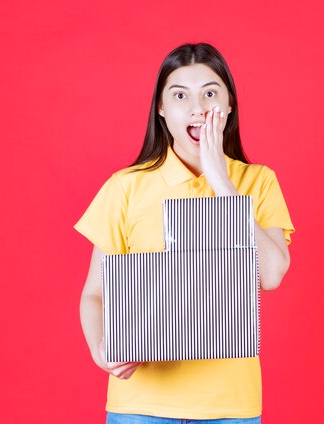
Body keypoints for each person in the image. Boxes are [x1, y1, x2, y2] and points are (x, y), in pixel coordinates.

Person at [74, 42, 295, 423]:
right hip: (140, 405)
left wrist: (222, 183)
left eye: (211, 93)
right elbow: (95, 292)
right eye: (180, 95)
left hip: (230, 407)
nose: (198, 108)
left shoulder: (257, 181)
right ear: (161, 108)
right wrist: (100, 349)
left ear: (228, 106)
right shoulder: (125, 186)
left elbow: (271, 275)